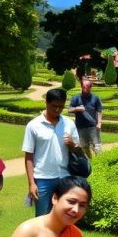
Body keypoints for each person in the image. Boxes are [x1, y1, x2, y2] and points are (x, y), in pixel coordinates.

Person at [23, 88, 81, 217]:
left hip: (65, 176)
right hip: (42, 178)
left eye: (61, 107)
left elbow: (78, 151)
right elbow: (29, 156)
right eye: (54, 106)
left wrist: (73, 145)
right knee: (42, 217)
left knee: (64, 216)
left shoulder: (69, 123)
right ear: (46, 103)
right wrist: (31, 183)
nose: (57, 110)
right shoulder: (33, 125)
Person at [69, 78, 103, 157]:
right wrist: (77, 108)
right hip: (81, 127)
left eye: (88, 86)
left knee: (97, 146)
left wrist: (99, 123)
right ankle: (90, 161)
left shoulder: (95, 98)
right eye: (84, 86)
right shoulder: (76, 98)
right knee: (85, 147)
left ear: (91, 87)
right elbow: (69, 110)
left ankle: (100, 162)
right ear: (81, 86)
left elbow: (99, 111)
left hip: (93, 126)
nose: (86, 88)